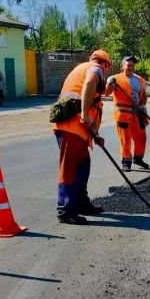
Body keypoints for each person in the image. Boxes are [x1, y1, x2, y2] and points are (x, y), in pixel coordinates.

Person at [51, 49, 111, 224]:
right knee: (69, 168)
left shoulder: (82, 68)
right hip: (72, 127)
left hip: (77, 128)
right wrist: (84, 112)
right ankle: (65, 210)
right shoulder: (95, 69)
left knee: (83, 165)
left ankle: (82, 203)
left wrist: (95, 136)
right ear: (106, 64)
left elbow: (90, 102)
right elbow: (89, 86)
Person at [105, 55, 150, 171]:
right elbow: (107, 93)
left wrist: (142, 107)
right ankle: (126, 162)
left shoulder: (139, 79)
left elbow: (143, 96)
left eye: (132, 65)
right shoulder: (115, 79)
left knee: (141, 137)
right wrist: (110, 83)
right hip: (123, 115)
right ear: (122, 66)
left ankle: (138, 158)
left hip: (138, 113)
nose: (130, 67)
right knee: (125, 139)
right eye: (128, 65)